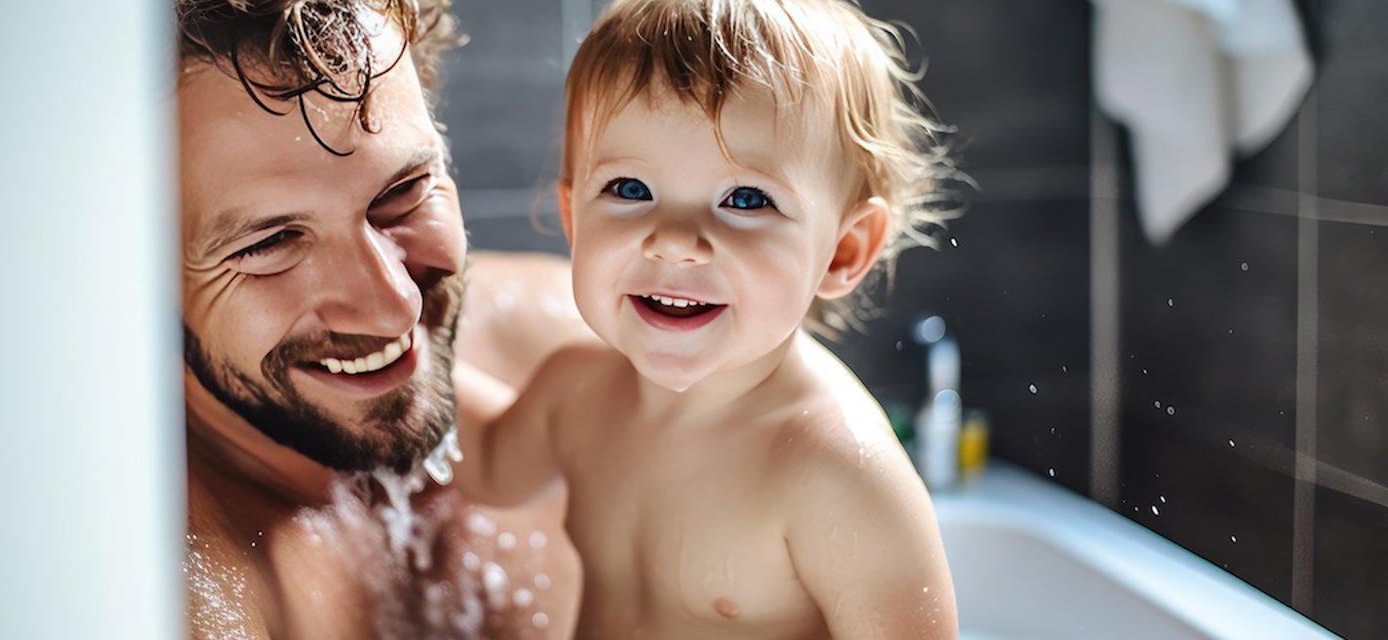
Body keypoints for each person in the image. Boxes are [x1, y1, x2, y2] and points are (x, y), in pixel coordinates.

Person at [450, 0, 961, 636]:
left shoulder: (837, 473)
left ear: (843, 250)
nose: (674, 240)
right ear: (575, 217)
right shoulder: (573, 393)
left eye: (745, 199)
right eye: (630, 190)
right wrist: (397, 344)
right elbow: (491, 464)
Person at [175, 0, 590, 637]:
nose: (395, 304)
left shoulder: (580, 346)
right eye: (269, 244)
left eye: (402, 193)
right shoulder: (171, 593)